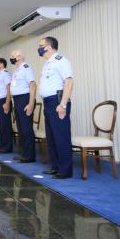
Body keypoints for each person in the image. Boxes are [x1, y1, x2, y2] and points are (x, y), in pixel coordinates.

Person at [38, 36, 74, 179]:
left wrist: (63, 104)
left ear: (48, 47)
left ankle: (65, 170)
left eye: (41, 45)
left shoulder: (61, 61)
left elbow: (69, 82)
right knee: (52, 137)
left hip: (57, 102)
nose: (39, 48)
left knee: (61, 136)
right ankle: (56, 166)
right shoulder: (48, 63)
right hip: (48, 102)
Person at [9, 50, 36, 163]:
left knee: (26, 128)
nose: (11, 58)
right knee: (21, 128)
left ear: (19, 57)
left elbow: (33, 86)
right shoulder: (17, 70)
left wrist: (30, 104)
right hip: (17, 100)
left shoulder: (26, 68)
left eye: (13, 56)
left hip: (24, 99)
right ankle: (23, 153)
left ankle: (29, 155)